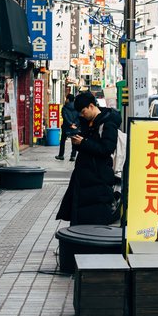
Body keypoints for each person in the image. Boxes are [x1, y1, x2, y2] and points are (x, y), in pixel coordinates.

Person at [56, 91, 121, 226]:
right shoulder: (88, 122)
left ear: (91, 106)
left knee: (93, 221)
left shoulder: (108, 123)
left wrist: (83, 143)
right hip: (84, 177)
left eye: (83, 111)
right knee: (80, 218)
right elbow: (89, 146)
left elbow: (106, 149)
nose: (81, 114)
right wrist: (78, 141)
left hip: (98, 179)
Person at [55, 92, 79, 161]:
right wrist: (75, 124)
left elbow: (65, 117)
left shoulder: (64, 108)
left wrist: (70, 124)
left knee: (62, 141)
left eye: (66, 98)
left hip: (66, 127)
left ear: (68, 99)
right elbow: (79, 117)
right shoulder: (77, 107)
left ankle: (61, 155)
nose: (66, 100)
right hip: (75, 127)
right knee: (74, 141)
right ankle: (73, 156)